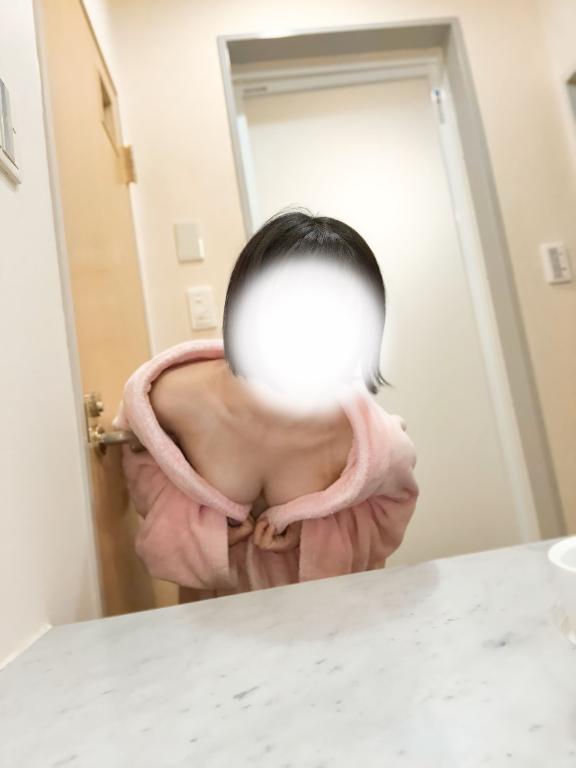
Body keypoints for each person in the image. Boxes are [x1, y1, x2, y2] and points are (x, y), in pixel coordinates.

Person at [113, 210, 419, 601]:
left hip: (331, 618)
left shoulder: (372, 444)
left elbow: (389, 513)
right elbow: (142, 466)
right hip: (210, 622)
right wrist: (203, 535)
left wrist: (315, 535)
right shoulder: (171, 399)